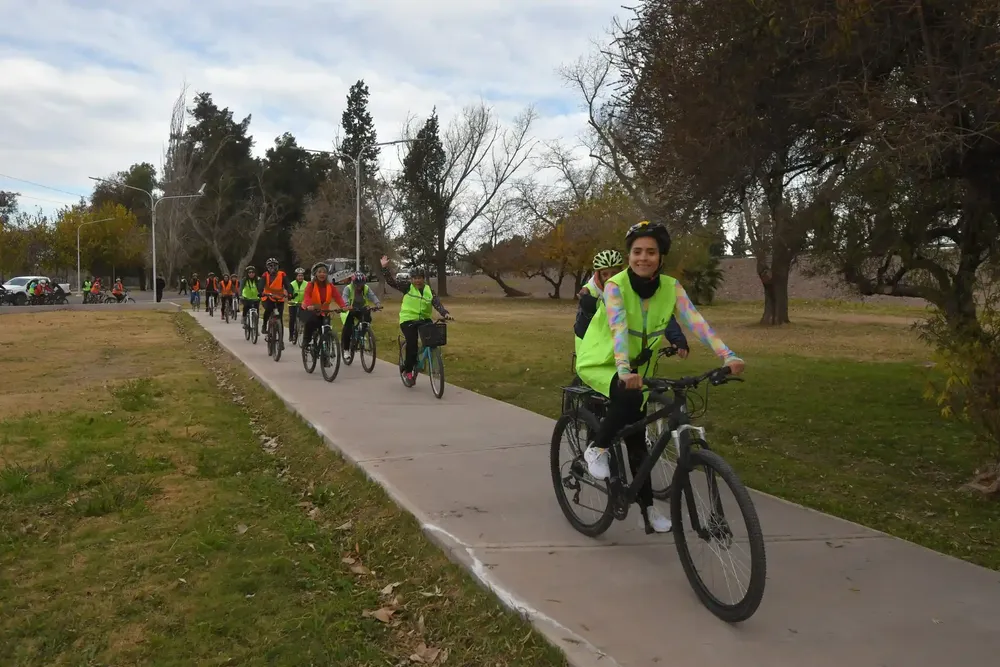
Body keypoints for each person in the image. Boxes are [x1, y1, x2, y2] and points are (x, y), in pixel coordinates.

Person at [576, 221, 744, 533]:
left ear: (661, 256)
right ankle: (596, 448)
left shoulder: (671, 287)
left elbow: (696, 322)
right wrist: (624, 370)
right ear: (629, 255)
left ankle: (648, 510)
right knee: (626, 398)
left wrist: (727, 355)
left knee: (638, 442)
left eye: (651, 252)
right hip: (602, 360)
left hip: (639, 369)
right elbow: (618, 327)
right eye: (637, 251)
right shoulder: (615, 286)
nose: (643, 258)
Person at [575, 249, 688, 355]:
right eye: (605, 274)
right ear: (597, 276)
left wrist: (677, 338)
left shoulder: (629, 287)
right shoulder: (589, 293)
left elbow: (657, 312)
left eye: (614, 274)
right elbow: (583, 330)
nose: (609, 278)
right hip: (592, 348)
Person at [379, 256, 452, 385]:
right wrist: (384, 268)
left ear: (424, 279)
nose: (417, 280)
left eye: (420, 278)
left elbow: (437, 303)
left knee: (434, 340)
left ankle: (429, 360)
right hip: (408, 320)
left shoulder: (429, 291)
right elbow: (391, 282)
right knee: (412, 343)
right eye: (415, 278)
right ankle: (408, 371)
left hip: (424, 320)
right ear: (411, 279)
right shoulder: (407, 287)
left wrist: (445, 313)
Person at [300, 262, 347, 361]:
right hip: (312, 310)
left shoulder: (330, 286)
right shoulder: (311, 285)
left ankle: (325, 356)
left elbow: (337, 297)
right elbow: (307, 296)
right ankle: (306, 342)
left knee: (326, 332)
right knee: (310, 323)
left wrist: (343, 306)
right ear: (316, 274)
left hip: (325, 311)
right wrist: (309, 305)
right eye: (320, 272)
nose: (322, 274)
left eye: (324, 272)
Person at [340, 271, 382, 352]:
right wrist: (347, 305)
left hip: (362, 308)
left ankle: (360, 336)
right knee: (348, 328)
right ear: (353, 282)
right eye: (357, 284)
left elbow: (372, 295)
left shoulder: (366, 288)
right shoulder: (348, 288)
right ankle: (346, 350)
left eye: (361, 283)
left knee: (367, 320)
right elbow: (344, 297)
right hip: (350, 310)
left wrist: (377, 304)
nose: (359, 286)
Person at [257, 258, 292, 343]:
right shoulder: (265, 275)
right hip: (267, 297)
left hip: (279, 298)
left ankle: (281, 341)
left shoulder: (282, 274)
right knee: (268, 309)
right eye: (270, 266)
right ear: (267, 267)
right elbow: (261, 284)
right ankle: (264, 325)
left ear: (277, 266)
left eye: (275, 265)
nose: (273, 268)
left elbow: (288, 284)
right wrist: (261, 292)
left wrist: (290, 293)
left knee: (280, 319)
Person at [288, 268, 308, 342]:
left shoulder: (307, 284)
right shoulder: (292, 284)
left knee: (304, 319)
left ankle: (304, 332)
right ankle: (291, 335)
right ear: (296, 276)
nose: (300, 277)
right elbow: (289, 293)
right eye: (299, 276)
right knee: (292, 318)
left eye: (302, 276)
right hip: (293, 303)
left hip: (303, 304)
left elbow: (309, 294)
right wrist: (290, 297)